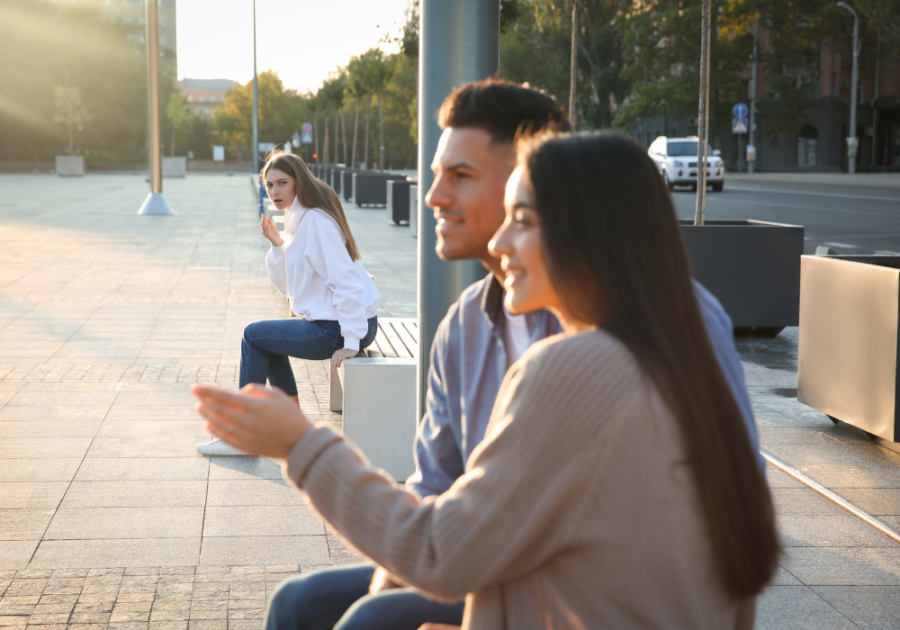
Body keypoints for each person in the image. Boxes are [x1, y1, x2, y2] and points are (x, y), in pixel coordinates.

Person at [192, 131, 780, 629]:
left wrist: (299, 444)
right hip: (565, 582)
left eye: (521, 220)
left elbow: (440, 551)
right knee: (313, 605)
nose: (500, 243)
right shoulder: (674, 338)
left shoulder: (574, 365)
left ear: (591, 235)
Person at [197, 152, 379, 456]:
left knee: (253, 336)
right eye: (269, 185)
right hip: (336, 323)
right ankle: (290, 426)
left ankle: (244, 436)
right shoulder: (299, 220)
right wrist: (278, 246)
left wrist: (351, 340)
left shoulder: (315, 221)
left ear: (299, 182)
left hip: (338, 329)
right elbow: (291, 290)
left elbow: (345, 281)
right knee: (265, 340)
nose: (275, 191)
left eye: (282, 183)